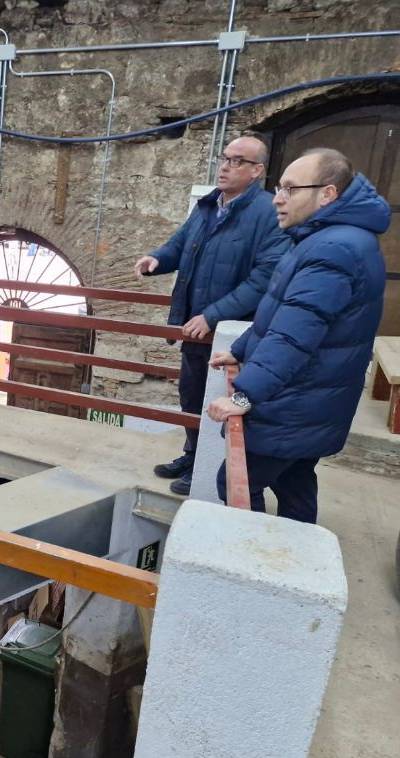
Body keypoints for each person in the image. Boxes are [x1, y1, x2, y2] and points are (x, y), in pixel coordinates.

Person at [206, 148, 389, 523]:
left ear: (328, 194)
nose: (277, 198)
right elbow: (282, 312)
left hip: (297, 401)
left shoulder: (333, 248)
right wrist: (241, 350)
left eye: (290, 189)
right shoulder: (329, 237)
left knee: (237, 483)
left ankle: (253, 571)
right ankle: (296, 554)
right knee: (294, 477)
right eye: (279, 187)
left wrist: (245, 394)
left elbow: (294, 334)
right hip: (313, 400)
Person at [134, 136, 289, 495]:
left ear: (256, 171)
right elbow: (180, 244)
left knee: (220, 401)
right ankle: (191, 453)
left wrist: (213, 316)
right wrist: (158, 259)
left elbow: (264, 277)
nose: (225, 166)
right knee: (191, 394)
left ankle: (208, 468)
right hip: (194, 327)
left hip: (232, 336)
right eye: (224, 158)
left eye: (237, 161)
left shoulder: (267, 213)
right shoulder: (208, 206)